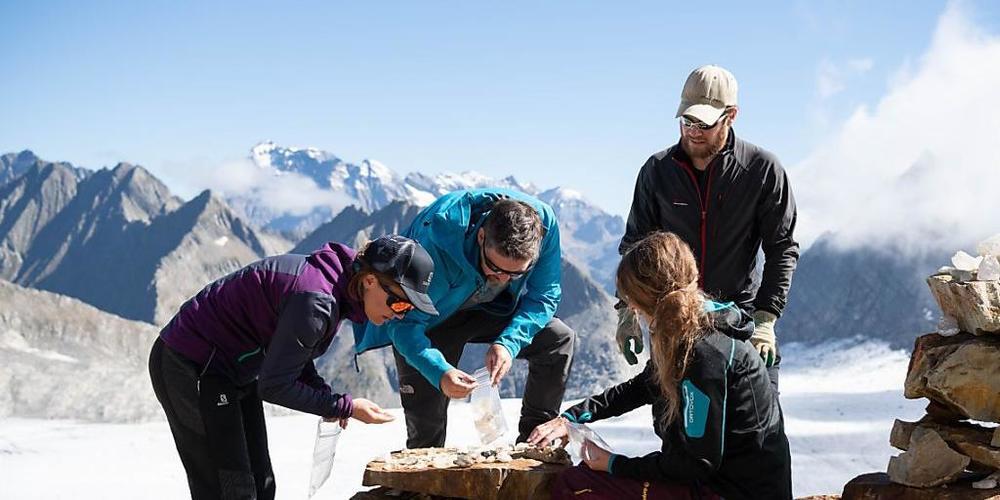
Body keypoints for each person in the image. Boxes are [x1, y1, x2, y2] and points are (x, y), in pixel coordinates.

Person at [149, 235, 439, 500]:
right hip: (190, 365)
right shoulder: (317, 300)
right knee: (229, 490)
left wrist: (327, 397)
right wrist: (342, 406)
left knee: (261, 486)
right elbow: (275, 386)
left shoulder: (333, 288)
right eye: (400, 303)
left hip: (232, 369)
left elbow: (293, 358)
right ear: (371, 280)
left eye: (409, 310)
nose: (398, 314)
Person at [530, 232, 791, 500]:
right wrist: (572, 418)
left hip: (734, 493)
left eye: (629, 297)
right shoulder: (696, 325)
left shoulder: (704, 356)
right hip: (737, 485)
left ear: (643, 301)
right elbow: (645, 386)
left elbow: (696, 464)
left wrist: (613, 463)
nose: (629, 305)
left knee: (576, 483)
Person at [617, 64, 799, 391]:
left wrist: (765, 320)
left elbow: (782, 248)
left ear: (731, 115)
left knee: (759, 425)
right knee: (678, 430)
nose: (693, 131)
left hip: (740, 322)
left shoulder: (761, 170)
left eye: (704, 122)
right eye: (687, 120)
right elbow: (635, 247)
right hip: (672, 323)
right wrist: (628, 310)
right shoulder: (657, 171)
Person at [353, 188, 575, 448]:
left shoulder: (544, 227)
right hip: (433, 318)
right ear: (481, 236)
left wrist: (508, 343)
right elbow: (405, 326)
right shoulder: (434, 242)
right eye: (494, 267)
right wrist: (440, 372)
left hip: (495, 309)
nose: (502, 278)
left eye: (515, 274)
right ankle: (423, 476)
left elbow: (544, 296)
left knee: (558, 339)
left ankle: (536, 444)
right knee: (426, 434)